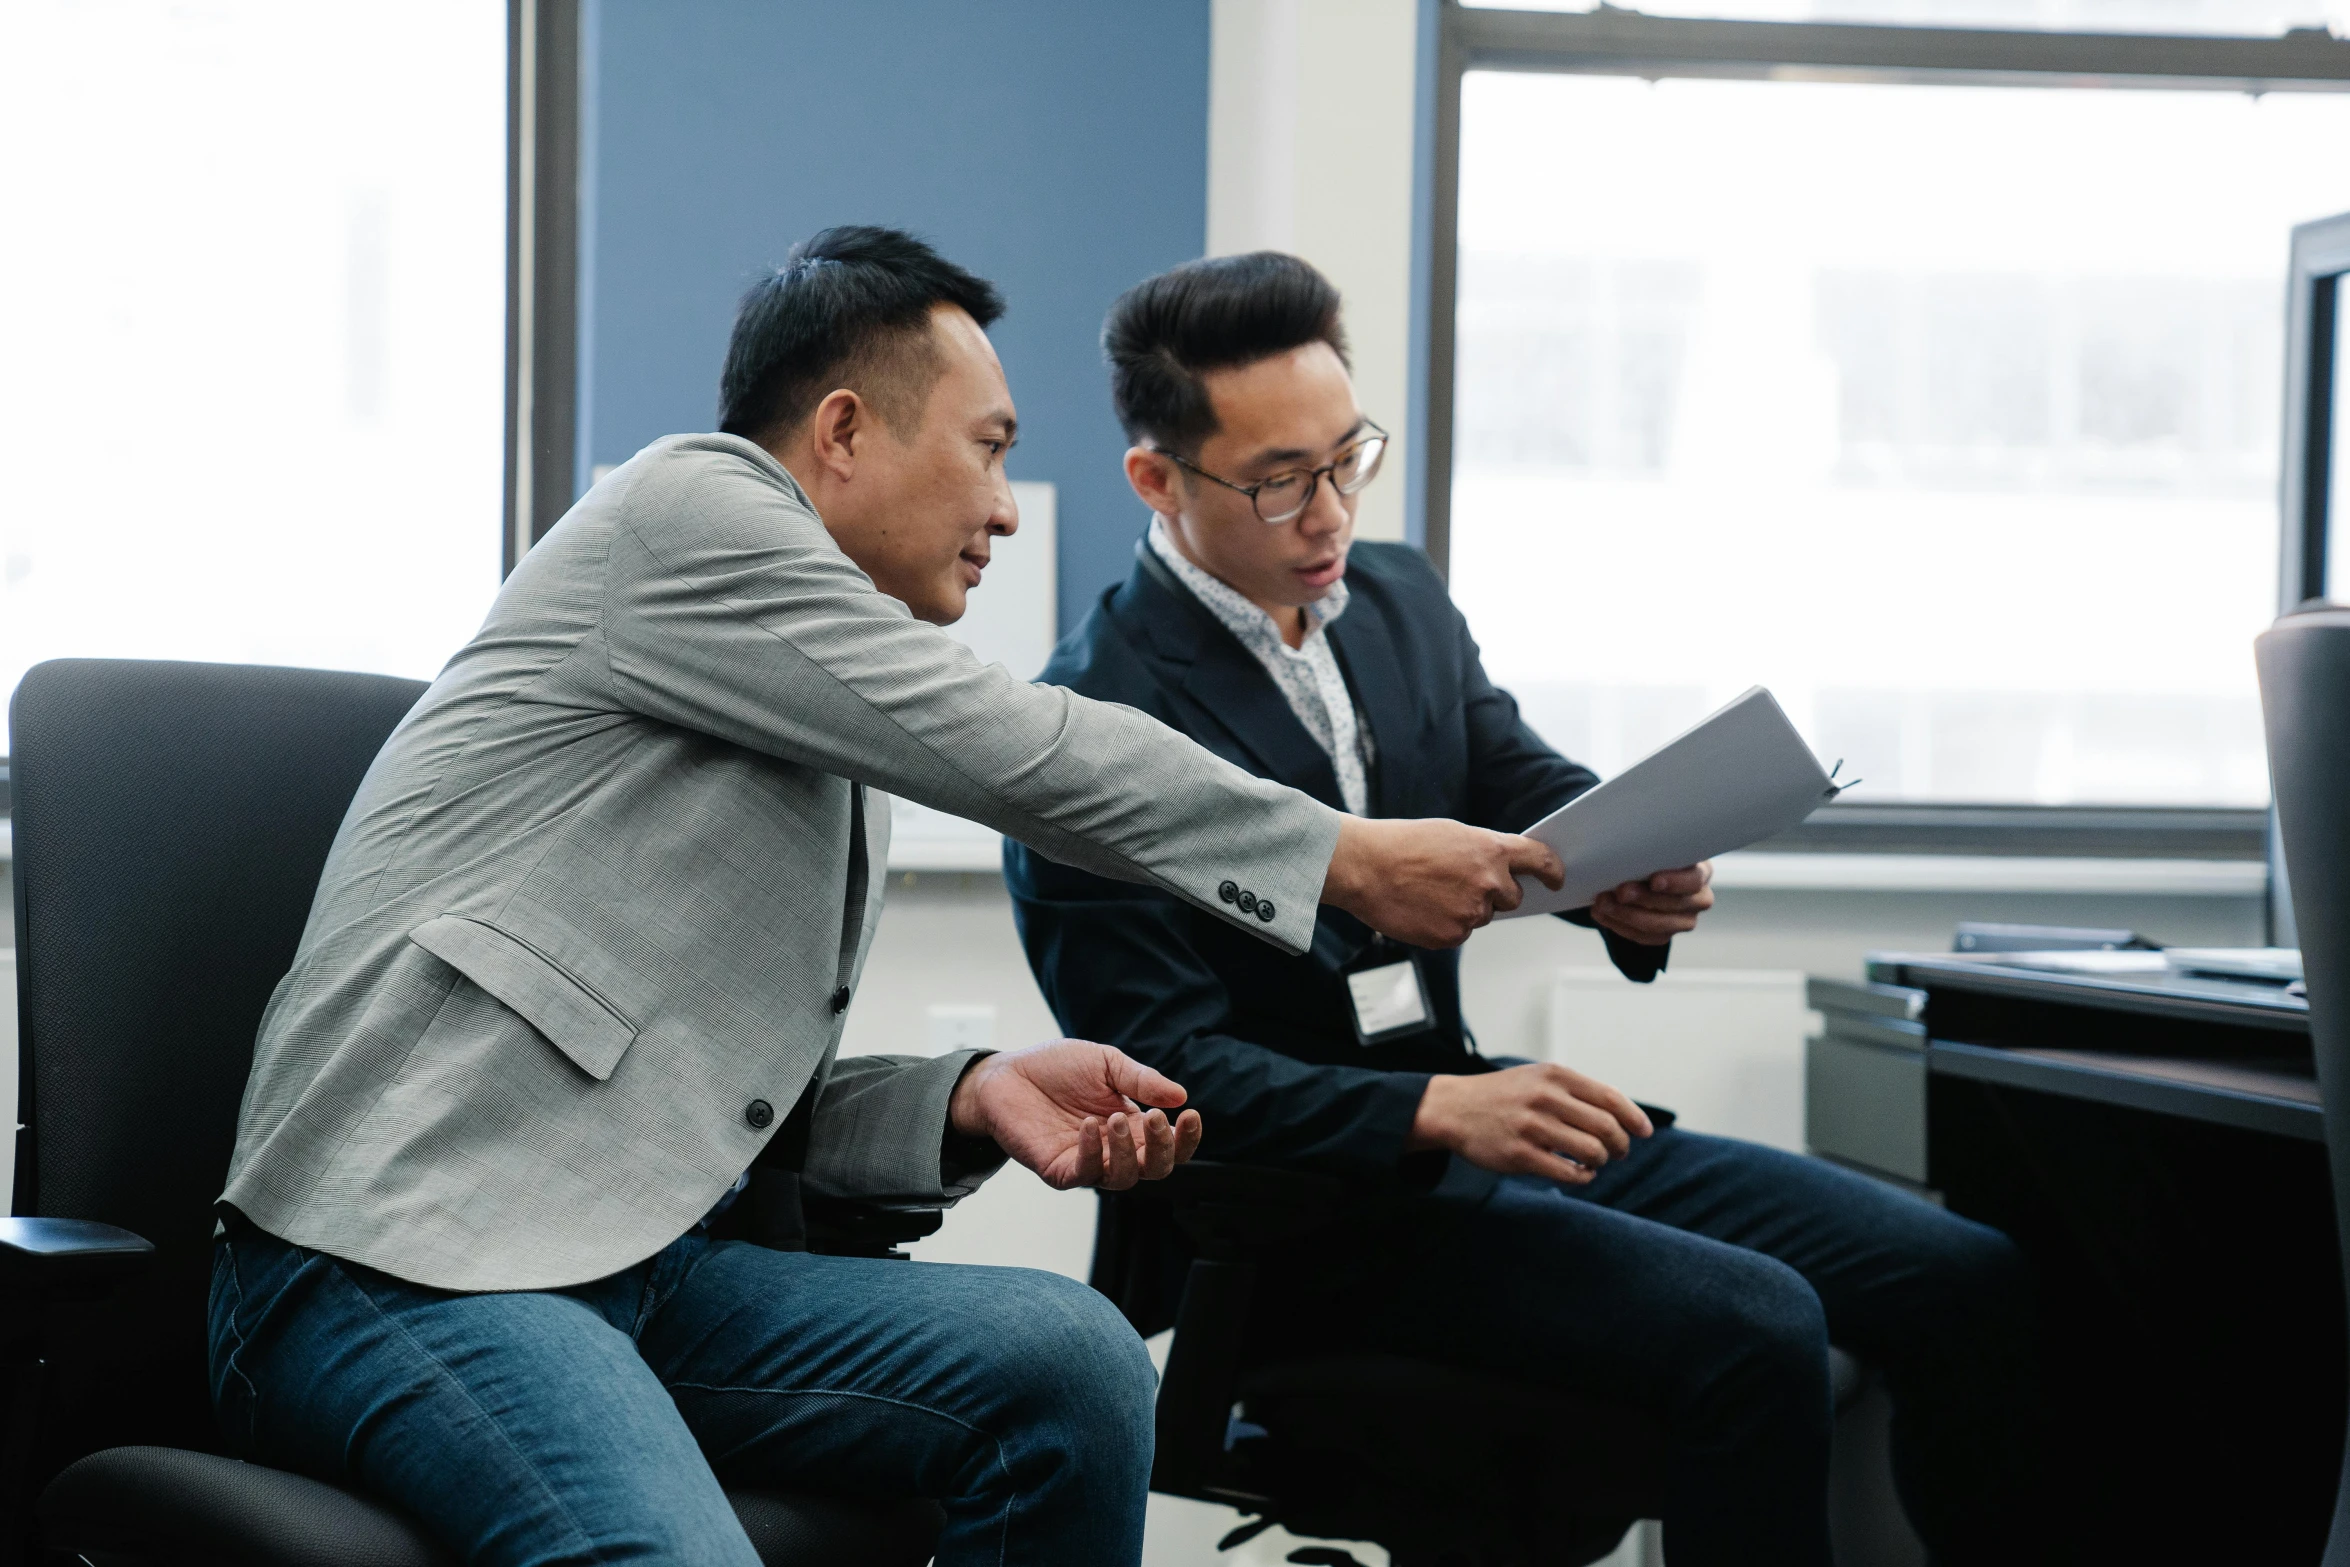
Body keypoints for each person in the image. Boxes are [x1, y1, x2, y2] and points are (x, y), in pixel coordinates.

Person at [209, 228, 1572, 1567]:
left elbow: (702, 1102)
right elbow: (1023, 747)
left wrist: (967, 1093)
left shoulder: (806, 717)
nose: (1004, 507)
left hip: (647, 1272)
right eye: (988, 448)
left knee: (1071, 1363)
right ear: (846, 430)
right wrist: (1343, 852)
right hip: (405, 1266)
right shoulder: (686, 508)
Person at [1004, 251, 2043, 1567]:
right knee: (1757, 1324)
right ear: (1157, 478)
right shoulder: (1087, 722)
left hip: (1473, 1120)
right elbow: (1161, 1073)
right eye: (1279, 479)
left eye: (1346, 457)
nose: (1328, 512)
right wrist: (1433, 1111)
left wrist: (1632, 875)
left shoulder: (1395, 602)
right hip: (1302, 1222)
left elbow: (1516, 781)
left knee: (1964, 1278)